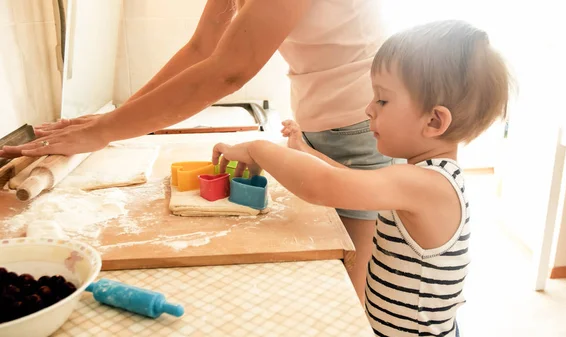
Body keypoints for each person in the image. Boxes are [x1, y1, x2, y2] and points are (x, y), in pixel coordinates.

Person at [0, 0, 389, 304]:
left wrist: (103, 130)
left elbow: (229, 70)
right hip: (323, 124)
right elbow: (203, 48)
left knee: (351, 292)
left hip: (363, 132)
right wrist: (113, 121)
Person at [212, 20, 511, 336]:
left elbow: (324, 186)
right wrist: (303, 151)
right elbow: (347, 179)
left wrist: (258, 149)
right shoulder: (424, 177)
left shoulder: (426, 184)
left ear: (434, 121)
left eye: (382, 99)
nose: (369, 109)